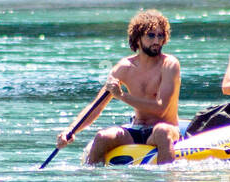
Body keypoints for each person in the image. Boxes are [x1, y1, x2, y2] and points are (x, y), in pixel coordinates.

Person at [57, 9, 182, 165]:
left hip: (163, 130)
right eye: (151, 35)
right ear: (138, 38)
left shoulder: (169, 65)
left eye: (160, 35)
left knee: (162, 131)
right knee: (102, 137)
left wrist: (122, 96)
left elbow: (160, 108)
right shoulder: (124, 67)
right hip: (135, 130)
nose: (157, 41)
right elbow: (97, 106)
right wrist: (71, 131)